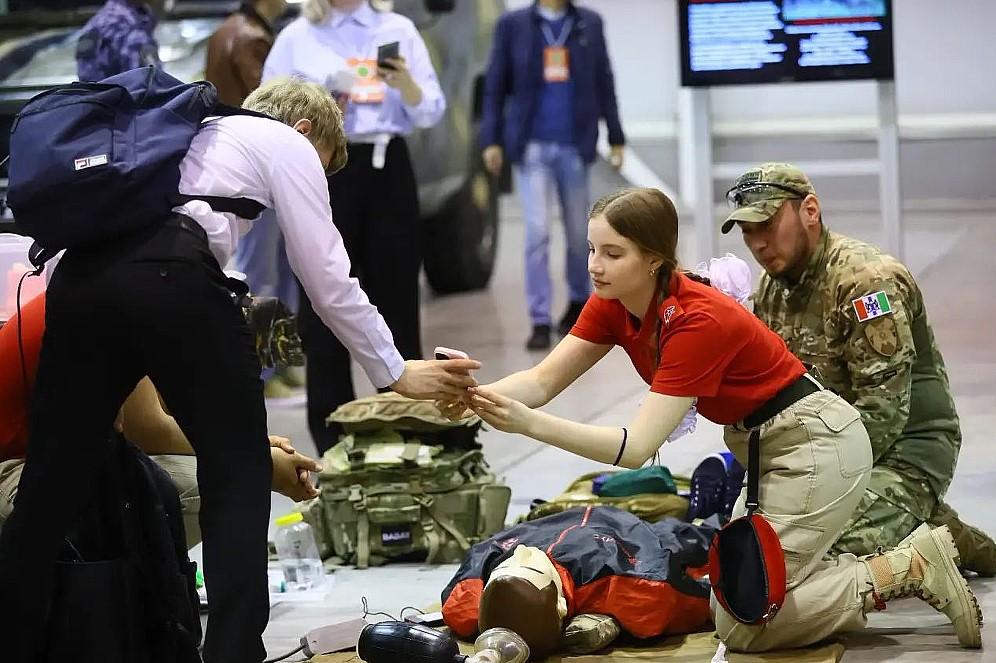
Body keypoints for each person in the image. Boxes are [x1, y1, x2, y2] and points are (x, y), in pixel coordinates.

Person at [0, 77, 478, 663]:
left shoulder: (186, 136)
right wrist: (393, 369)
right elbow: (324, 275)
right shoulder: (287, 143)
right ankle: (231, 653)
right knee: (239, 472)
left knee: (51, 484)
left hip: (78, 285)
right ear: (306, 132)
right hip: (170, 277)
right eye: (324, 167)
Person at [437, 187, 982, 652]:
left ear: (653, 259)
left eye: (612, 252)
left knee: (747, 627)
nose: (594, 266)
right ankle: (891, 561)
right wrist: (473, 394)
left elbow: (634, 448)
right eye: (590, 249)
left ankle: (906, 566)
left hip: (815, 445)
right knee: (736, 594)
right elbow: (540, 383)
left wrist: (526, 425)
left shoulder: (697, 320)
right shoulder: (613, 301)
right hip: (770, 450)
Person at [723, 162, 996, 576]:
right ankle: (925, 525)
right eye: (748, 232)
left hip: (905, 449)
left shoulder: (866, 283)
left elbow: (885, 412)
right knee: (749, 541)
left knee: (809, 555)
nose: (757, 243)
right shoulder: (772, 288)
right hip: (827, 447)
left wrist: (814, 484)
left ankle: (933, 536)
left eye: (768, 225)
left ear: (810, 211)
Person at [257, 0, 447, 453]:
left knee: (397, 296)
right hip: (318, 170)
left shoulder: (396, 27)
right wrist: (322, 99)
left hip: (385, 166)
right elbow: (263, 114)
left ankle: (407, 431)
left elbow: (431, 110)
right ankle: (333, 440)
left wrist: (406, 86)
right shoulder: (296, 36)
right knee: (321, 303)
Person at [0, 292, 322, 549]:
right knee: (220, 479)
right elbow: (151, 431)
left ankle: (131, 591)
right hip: (13, 474)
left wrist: (253, 443)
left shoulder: (122, 289)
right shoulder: (121, 307)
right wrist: (258, 461)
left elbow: (171, 414)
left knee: (221, 464)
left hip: (39, 463)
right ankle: (106, 593)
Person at [480, 0, 626, 350]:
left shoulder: (588, 24)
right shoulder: (513, 24)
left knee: (580, 232)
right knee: (537, 232)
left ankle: (578, 303)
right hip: (531, 148)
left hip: (574, 146)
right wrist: (492, 139)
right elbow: (495, 86)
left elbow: (605, 80)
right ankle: (540, 318)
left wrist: (616, 136)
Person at [205, 0, 286, 107]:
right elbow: (264, 96)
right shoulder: (253, 38)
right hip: (243, 118)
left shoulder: (225, 27)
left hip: (219, 117)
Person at [75, 0, 165, 82]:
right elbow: (148, 84)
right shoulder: (131, 27)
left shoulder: (96, 22)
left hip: (92, 96)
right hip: (123, 97)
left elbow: (85, 76)